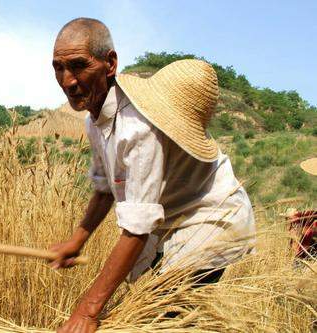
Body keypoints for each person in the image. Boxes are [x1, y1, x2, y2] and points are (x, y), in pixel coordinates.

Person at [49, 17, 256, 333]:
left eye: (78, 66)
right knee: (147, 311)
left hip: (211, 219)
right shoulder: (94, 121)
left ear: (110, 64)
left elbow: (137, 228)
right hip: (170, 224)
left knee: (160, 317)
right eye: (58, 68)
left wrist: (87, 312)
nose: (68, 81)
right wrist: (77, 240)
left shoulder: (138, 128)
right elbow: (105, 187)